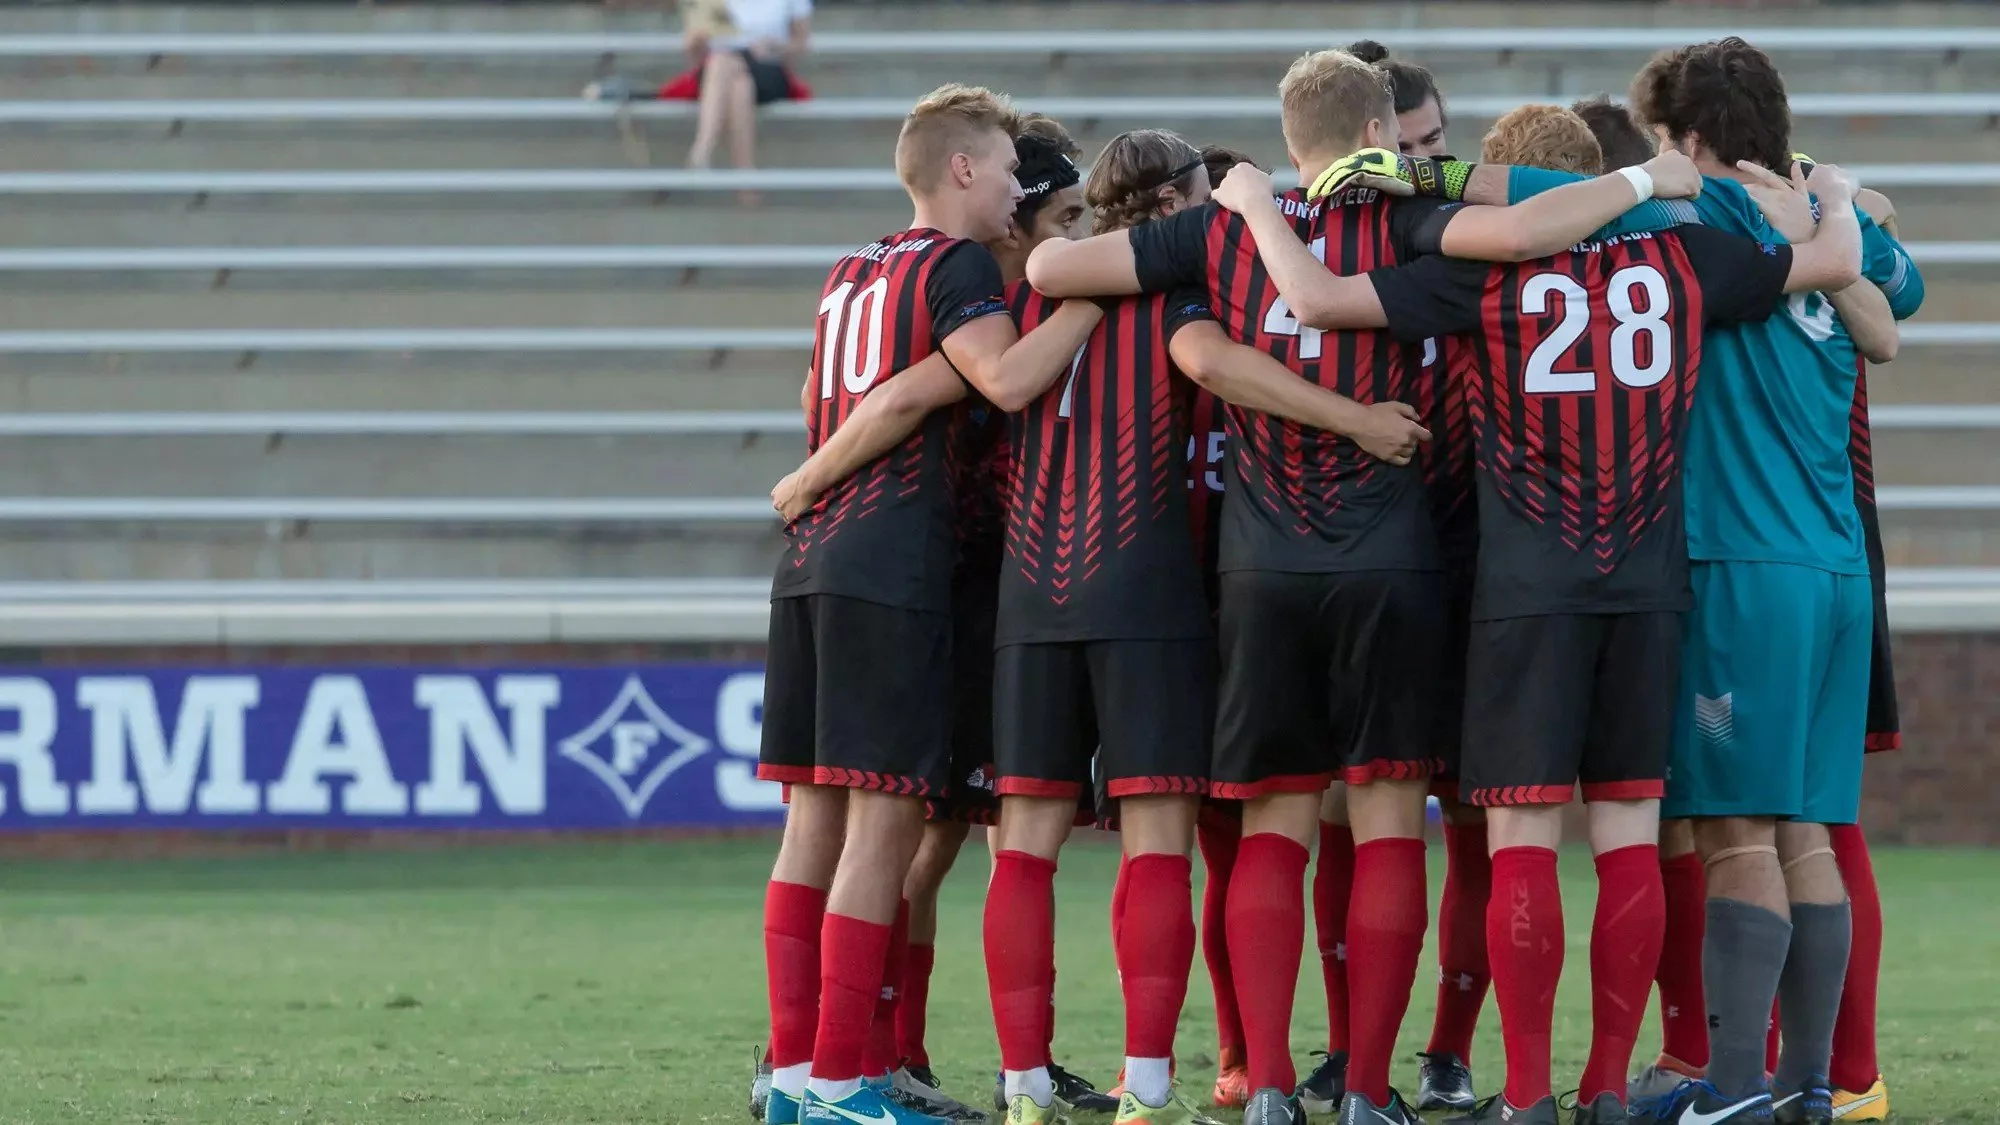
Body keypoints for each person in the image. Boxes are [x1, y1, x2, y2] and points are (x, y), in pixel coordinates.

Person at [1025, 47, 1706, 1125]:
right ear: (1383, 128)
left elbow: (1050, 275)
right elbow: (1525, 233)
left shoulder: (1220, 230)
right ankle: (1373, 1087)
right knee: (1391, 824)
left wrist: (1231, 230)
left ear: (1288, 137)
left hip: (1260, 568)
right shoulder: (1401, 224)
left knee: (1273, 830)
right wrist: (1635, 185)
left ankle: (1268, 1088)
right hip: (1393, 559)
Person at [1212, 97, 1862, 1125]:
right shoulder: (1688, 259)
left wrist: (1253, 201)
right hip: (1647, 589)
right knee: (1626, 838)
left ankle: (1522, 1094)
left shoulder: (1480, 267)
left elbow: (1326, 302)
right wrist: (1832, 197)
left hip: (1525, 592)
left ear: (1510, 186)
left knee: (1518, 845)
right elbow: (1829, 267)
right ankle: (1605, 1087)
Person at [756, 82, 1107, 1125]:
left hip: (813, 559)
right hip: (891, 563)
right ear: (961, 170)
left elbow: (855, 389)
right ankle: (842, 1082)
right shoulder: (956, 264)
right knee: (882, 828)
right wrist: (1102, 291)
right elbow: (1000, 382)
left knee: (810, 828)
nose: (1011, 186)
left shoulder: (850, 269)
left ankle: (789, 1078)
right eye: (1003, 167)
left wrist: (812, 479)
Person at [1624, 39, 1912, 1125]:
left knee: (1734, 831)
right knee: (1803, 832)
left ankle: (1731, 1087)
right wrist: (1841, 201)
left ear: (1686, 136)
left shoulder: (1686, 220)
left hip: (1740, 567)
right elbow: (1891, 305)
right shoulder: (1832, 221)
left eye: (1661, 140)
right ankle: (1804, 1090)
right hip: (1837, 571)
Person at [1296, 40, 1486, 1118]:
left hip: (1465, 557)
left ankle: (1448, 1048)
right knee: (1340, 802)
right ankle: (1341, 1043)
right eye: (1401, 148)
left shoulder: (1455, 233)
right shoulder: (1304, 241)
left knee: (1466, 812)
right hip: (1349, 550)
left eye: (1434, 147)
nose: (1416, 167)